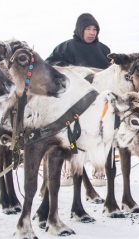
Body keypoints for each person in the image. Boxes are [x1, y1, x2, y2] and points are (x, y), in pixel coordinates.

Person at [47, 13, 111, 186]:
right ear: (80, 30)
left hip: (98, 99)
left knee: (101, 132)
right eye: (88, 29)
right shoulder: (66, 47)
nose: (91, 33)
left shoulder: (104, 50)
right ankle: (69, 167)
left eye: (94, 29)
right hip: (74, 100)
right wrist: (72, 69)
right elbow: (50, 64)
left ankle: (99, 169)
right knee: (72, 132)